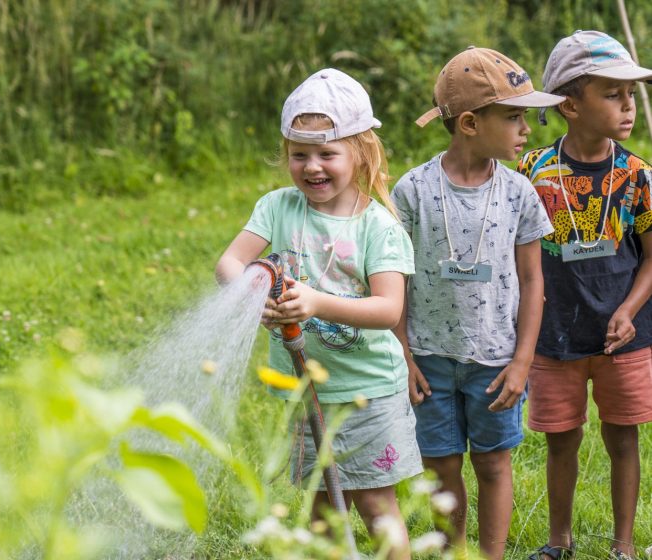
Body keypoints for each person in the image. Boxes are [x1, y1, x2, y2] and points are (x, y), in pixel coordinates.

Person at [216, 68, 422, 558]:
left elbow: (389, 308)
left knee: (376, 507)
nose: (312, 167)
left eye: (327, 153)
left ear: (361, 152)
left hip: (367, 393)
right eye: (298, 155)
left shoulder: (379, 227)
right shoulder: (278, 207)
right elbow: (228, 264)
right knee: (321, 514)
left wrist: (314, 301)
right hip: (306, 391)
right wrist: (253, 293)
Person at [391, 47, 562, 560]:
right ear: (469, 122)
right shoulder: (411, 192)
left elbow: (534, 282)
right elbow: (392, 278)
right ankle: (453, 552)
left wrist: (522, 362)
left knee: (493, 465)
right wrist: (404, 355)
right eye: (514, 117)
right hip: (429, 360)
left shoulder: (519, 193)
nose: (526, 129)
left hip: (495, 359)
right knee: (441, 467)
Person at [516, 30, 652, 560]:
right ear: (570, 105)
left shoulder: (640, 178)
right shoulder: (532, 173)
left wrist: (629, 309)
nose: (628, 105)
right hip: (554, 336)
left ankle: (622, 547)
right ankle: (559, 543)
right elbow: (519, 260)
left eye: (631, 93)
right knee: (560, 440)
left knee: (623, 439)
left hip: (626, 335)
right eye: (613, 93)